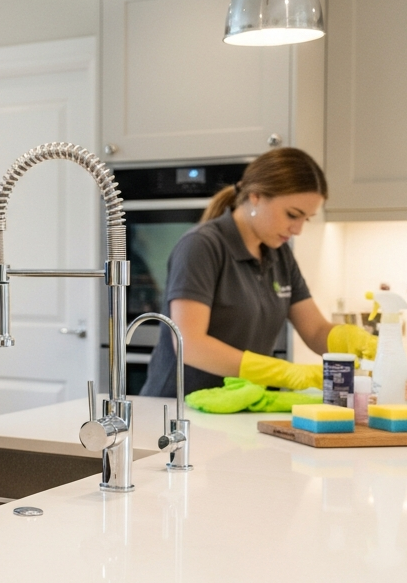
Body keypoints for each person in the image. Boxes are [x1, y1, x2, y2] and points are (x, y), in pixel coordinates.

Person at [139, 147, 376, 397]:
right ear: (256, 196)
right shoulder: (202, 246)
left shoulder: (279, 254)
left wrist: (354, 342)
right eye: (292, 215)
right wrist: (282, 372)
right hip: (179, 411)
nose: (297, 230)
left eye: (305, 219)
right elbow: (190, 344)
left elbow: (315, 330)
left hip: (240, 407)